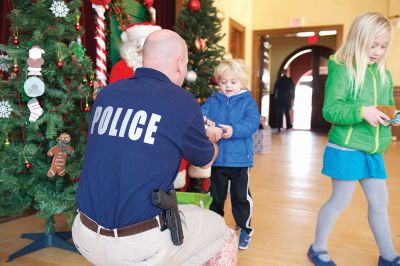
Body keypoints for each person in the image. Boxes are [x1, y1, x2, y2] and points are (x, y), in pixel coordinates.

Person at [72, 29, 229, 266]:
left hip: (83, 234)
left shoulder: (107, 94)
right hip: (136, 248)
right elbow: (204, 159)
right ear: (180, 62)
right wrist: (212, 137)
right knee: (220, 228)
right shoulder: (181, 100)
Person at [307, 12, 400, 266]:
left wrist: (394, 117)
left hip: (372, 150)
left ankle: (389, 256)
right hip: (346, 148)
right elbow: (330, 110)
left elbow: (387, 106)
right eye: (373, 45)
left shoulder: (383, 74)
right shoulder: (343, 70)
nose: (378, 52)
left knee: (380, 202)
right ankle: (317, 248)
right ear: (358, 39)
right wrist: (361, 111)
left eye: (383, 46)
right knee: (340, 201)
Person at [202, 59, 260, 250]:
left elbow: (252, 123)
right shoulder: (214, 100)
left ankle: (244, 229)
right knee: (216, 196)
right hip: (218, 159)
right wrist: (204, 120)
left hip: (240, 161)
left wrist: (233, 130)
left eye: (233, 82)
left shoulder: (247, 101)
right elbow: (201, 113)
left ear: (242, 82)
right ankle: (215, 228)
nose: (227, 86)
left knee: (240, 197)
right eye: (224, 81)